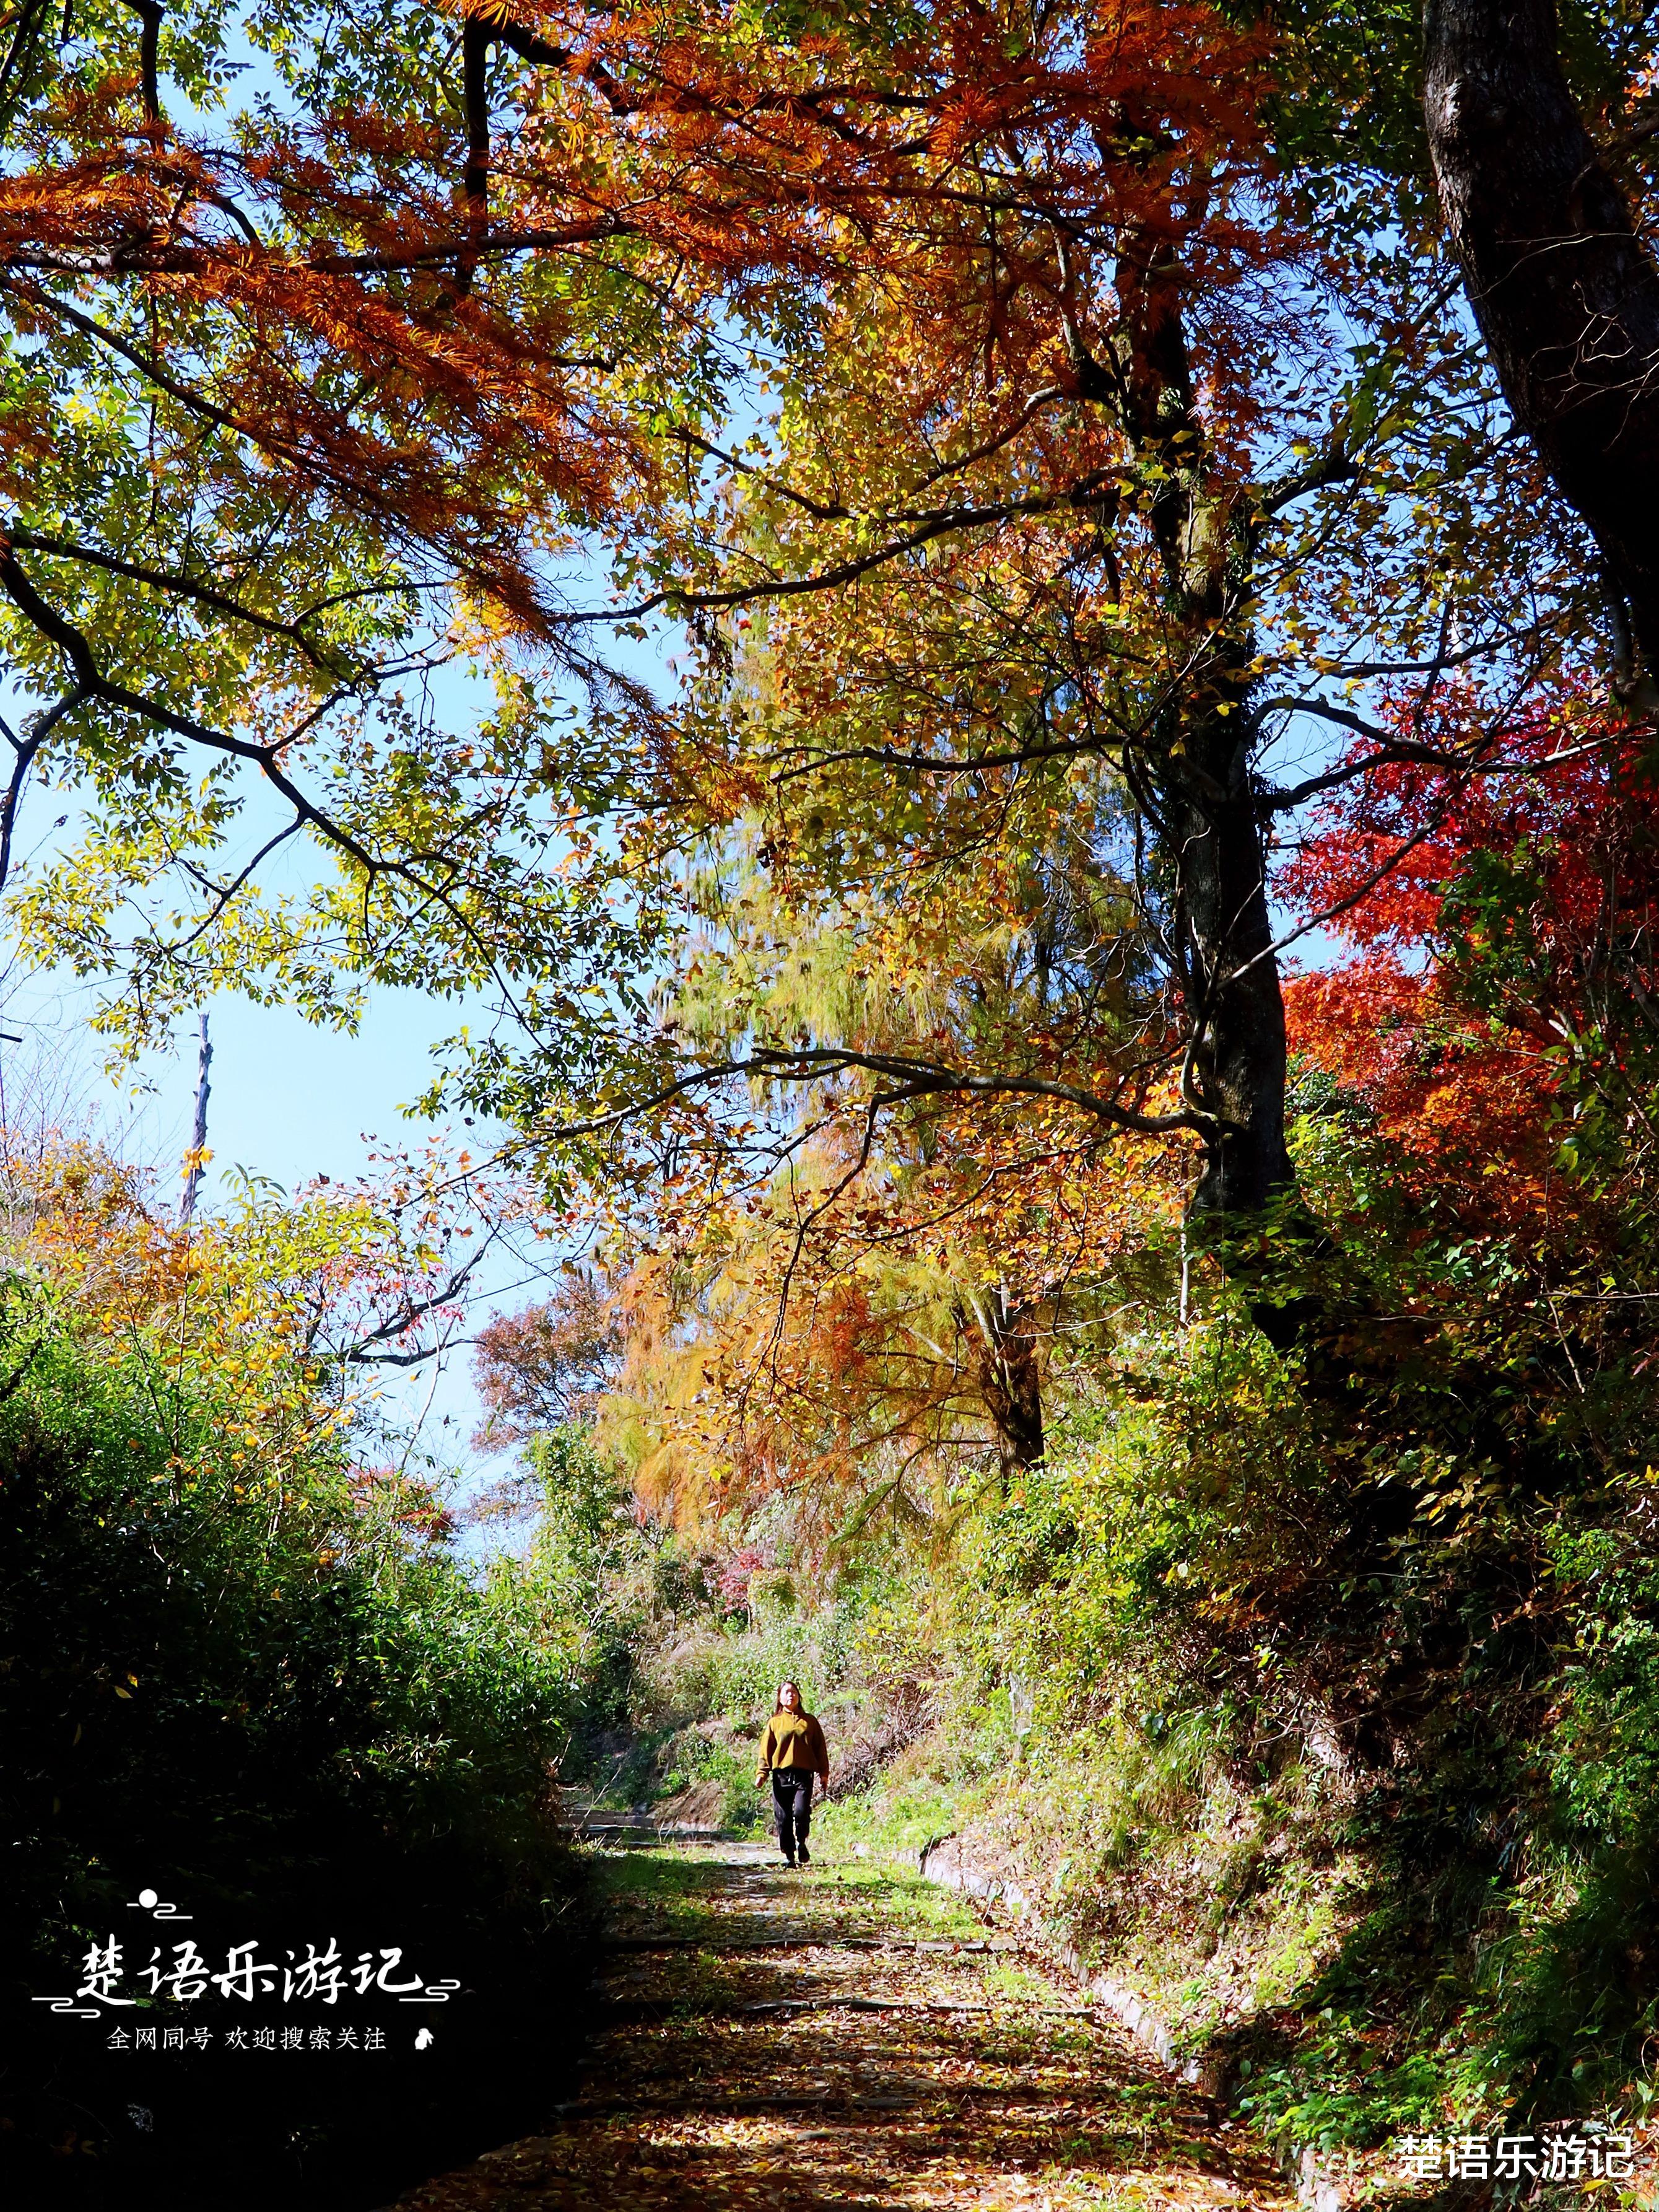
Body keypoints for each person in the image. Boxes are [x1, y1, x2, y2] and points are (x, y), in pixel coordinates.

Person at [754, 1680, 829, 1866]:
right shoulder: (774, 1723)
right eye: (786, 1692)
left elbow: (820, 1749)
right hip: (781, 1776)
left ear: (799, 1696)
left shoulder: (809, 1721)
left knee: (802, 1812)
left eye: (794, 1692)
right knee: (784, 1817)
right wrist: (762, 1774)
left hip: (804, 1775)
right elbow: (766, 1750)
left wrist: (824, 1773)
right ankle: (789, 1856)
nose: (791, 1695)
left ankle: (801, 1842)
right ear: (780, 1698)